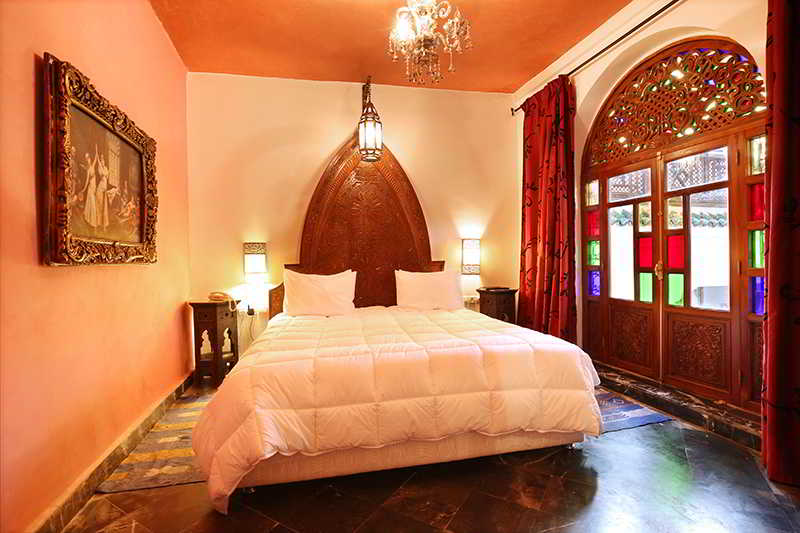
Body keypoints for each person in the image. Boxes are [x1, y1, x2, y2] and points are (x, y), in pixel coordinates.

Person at [80, 147, 99, 228]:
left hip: (94, 187)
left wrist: (96, 149)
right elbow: (87, 181)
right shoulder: (88, 170)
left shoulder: (93, 166)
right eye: (87, 159)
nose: (88, 160)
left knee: (93, 204)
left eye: (89, 158)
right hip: (91, 188)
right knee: (92, 204)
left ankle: (92, 221)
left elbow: (96, 158)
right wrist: (83, 189)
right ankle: (92, 222)